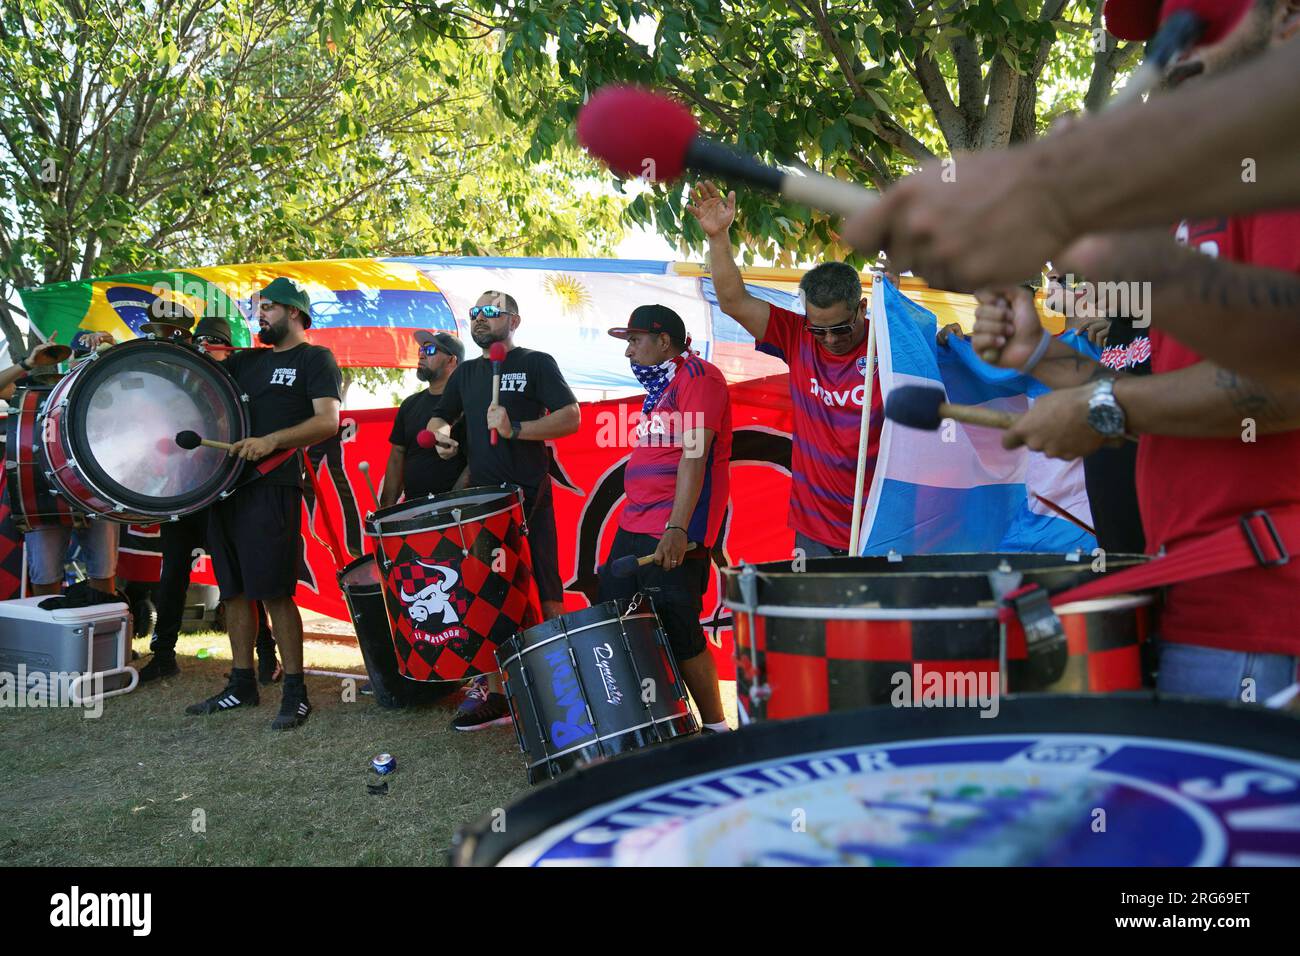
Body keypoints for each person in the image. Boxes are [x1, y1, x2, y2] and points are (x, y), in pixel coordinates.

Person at [970, 0, 1300, 704]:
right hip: (1199, 600)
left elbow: (1283, 379)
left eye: (1200, 18)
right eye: (1161, 26)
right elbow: (1170, 387)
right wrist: (1045, 359)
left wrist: (1103, 407)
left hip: (1268, 616)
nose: (1171, 43)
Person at [689, 180, 879, 557]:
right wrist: (718, 237)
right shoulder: (795, 335)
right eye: (818, 329)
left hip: (879, 524)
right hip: (815, 528)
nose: (829, 340)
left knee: (876, 618)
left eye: (840, 329)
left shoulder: (889, 345)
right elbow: (733, 301)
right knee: (812, 617)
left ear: (862, 309)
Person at [186, 278, 342, 730]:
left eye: (269, 308)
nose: (261, 316)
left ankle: (295, 691)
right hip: (227, 486)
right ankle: (242, 684)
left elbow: (327, 421)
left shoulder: (315, 359)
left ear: (294, 312)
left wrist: (271, 440)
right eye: (259, 309)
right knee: (233, 590)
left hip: (274, 484)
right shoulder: (246, 362)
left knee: (274, 589)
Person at [426, 290, 581, 730]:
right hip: (482, 503)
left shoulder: (536, 362)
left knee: (547, 594)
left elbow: (571, 418)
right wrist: (442, 437)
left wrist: (518, 428)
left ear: (514, 320)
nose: (480, 319)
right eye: (475, 313)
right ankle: (498, 695)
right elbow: (440, 417)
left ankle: (562, 692)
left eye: (491, 313)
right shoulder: (469, 373)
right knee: (485, 597)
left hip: (529, 496)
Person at [598, 305, 731, 733]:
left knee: (678, 622)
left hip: (675, 528)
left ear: (664, 341)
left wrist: (677, 529)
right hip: (635, 523)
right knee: (616, 613)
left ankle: (715, 728)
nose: (628, 352)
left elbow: (695, 455)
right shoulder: (662, 384)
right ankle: (653, 720)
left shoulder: (698, 378)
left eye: (635, 340)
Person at [137, 313, 280, 684]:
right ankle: (164, 654)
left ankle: (267, 653)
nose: (205, 350)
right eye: (199, 344)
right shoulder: (183, 383)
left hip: (227, 493)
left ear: (226, 347)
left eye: (211, 344)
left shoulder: (242, 383)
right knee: (172, 576)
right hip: (184, 492)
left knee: (243, 578)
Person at [380, 330, 467, 508]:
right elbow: (397, 456)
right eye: (421, 350)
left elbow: (477, 461)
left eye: (430, 350)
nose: (421, 355)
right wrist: (386, 507)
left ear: (452, 360)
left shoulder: (469, 403)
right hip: (413, 509)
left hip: (459, 513)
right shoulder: (409, 405)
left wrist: (453, 502)